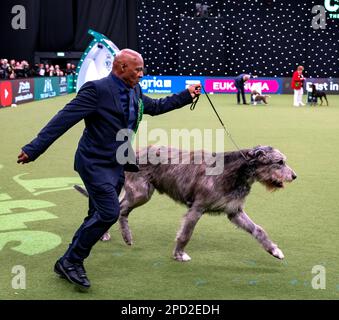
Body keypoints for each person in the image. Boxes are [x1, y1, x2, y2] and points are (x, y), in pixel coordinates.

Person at [17, 48, 202, 289]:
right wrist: (34, 148)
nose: (142, 74)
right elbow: (64, 118)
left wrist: (186, 95)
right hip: (94, 163)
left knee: (96, 213)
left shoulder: (134, 89)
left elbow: (154, 107)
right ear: (121, 67)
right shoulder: (96, 90)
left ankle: (71, 258)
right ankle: (70, 261)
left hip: (118, 163)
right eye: (138, 69)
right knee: (107, 213)